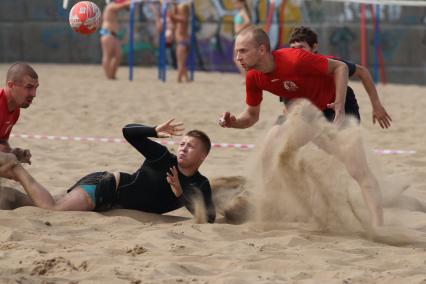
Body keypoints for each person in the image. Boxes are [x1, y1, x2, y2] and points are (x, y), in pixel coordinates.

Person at [218, 26, 383, 227]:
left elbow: (344, 69)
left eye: (243, 51)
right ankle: (263, 200)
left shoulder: (298, 60)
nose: (238, 57)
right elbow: (251, 116)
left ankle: (378, 227)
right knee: (273, 140)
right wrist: (233, 122)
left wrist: (361, 104)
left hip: (337, 109)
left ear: (262, 50)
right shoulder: (254, 76)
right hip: (307, 114)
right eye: (236, 52)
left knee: (358, 170)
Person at [0, 119, 216, 223]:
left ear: (203, 156)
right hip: (106, 187)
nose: (183, 148)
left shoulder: (200, 184)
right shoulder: (162, 158)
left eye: (190, 146)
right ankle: (14, 167)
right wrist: (153, 131)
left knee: (43, 203)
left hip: (110, 204)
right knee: (54, 209)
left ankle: (9, 197)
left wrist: (180, 194)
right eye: (182, 144)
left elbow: (209, 219)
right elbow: (128, 132)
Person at [287, 26, 392, 128]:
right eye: (293, 48)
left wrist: (376, 105)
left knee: (345, 141)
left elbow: (362, 72)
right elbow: (286, 96)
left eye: (301, 47)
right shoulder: (287, 72)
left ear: (314, 47)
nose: (296, 52)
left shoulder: (330, 64)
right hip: (316, 110)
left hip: (342, 106)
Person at [0, 62, 38, 165]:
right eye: (29, 87)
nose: (34, 94)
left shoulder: (15, 110)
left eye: (36, 88)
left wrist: (15, 153)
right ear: (11, 85)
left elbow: (2, 142)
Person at [100, 0, 132, 80]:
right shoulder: (110, 6)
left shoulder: (113, 7)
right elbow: (122, 5)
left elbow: (126, 7)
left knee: (118, 55)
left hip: (113, 34)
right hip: (107, 33)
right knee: (107, 55)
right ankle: (108, 76)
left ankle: (112, 75)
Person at [170, 2, 191, 82]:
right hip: (183, 42)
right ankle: (187, 78)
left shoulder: (183, 19)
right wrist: (175, 6)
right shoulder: (182, 18)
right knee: (182, 62)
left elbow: (172, 16)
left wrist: (172, 8)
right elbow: (174, 17)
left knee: (180, 62)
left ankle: (179, 78)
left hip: (182, 43)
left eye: (180, 10)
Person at [233, 0, 251, 79]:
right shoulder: (240, 12)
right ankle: (246, 76)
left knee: (237, 59)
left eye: (236, 3)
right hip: (238, 36)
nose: (235, 5)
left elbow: (248, 21)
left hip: (240, 36)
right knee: (238, 59)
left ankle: (246, 77)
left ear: (241, 3)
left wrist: (240, 29)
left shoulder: (243, 12)